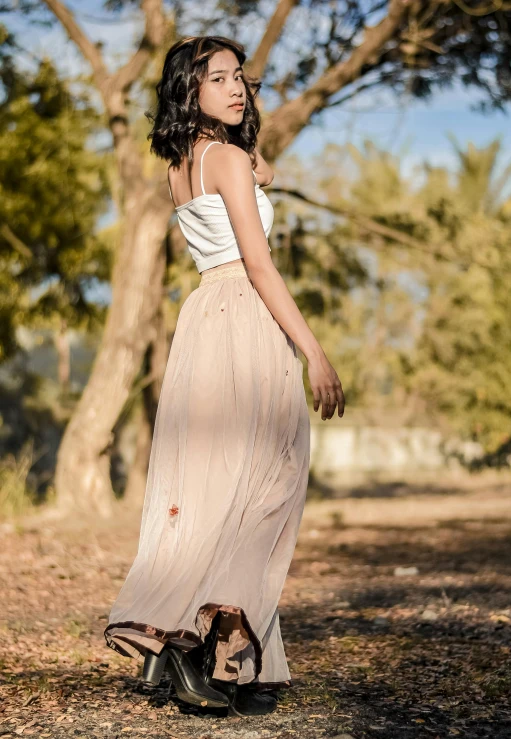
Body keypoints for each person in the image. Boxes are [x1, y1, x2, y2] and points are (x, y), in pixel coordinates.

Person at [103, 35, 345, 718]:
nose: (237, 89)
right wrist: (314, 352)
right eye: (218, 79)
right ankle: (213, 636)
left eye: (242, 77)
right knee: (271, 479)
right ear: (192, 91)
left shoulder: (183, 163)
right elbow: (261, 264)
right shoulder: (230, 159)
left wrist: (251, 163)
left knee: (221, 486)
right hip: (247, 312)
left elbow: (244, 184)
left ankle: (224, 648)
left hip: (205, 315)